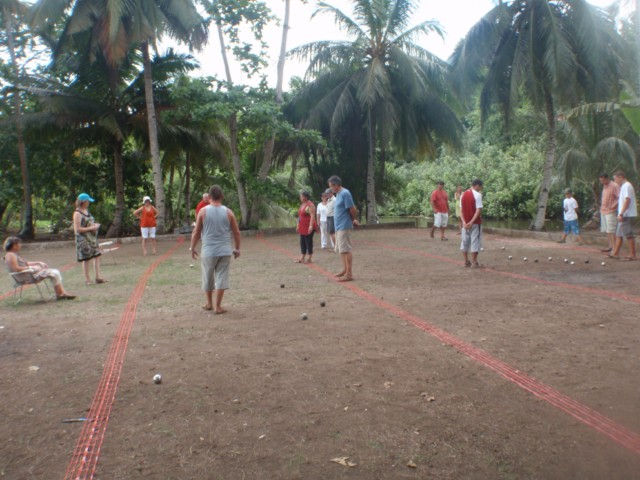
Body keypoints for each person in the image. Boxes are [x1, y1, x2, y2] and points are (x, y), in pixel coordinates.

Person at [190, 185, 241, 313]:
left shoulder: (203, 212)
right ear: (222, 196)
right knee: (222, 276)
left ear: (209, 197)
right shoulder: (229, 212)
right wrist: (237, 248)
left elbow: (196, 232)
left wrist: (192, 247)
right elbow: (236, 233)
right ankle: (218, 306)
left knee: (207, 276)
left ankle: (209, 303)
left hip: (208, 251)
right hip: (225, 250)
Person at [4, 236, 76, 300]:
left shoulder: (12, 254)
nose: (20, 245)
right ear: (14, 245)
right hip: (27, 277)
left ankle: (61, 293)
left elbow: (25, 263)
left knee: (54, 272)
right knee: (55, 272)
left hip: (28, 274)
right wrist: (31, 268)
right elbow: (16, 268)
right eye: (18, 244)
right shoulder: (11, 255)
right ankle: (60, 294)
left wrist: (37, 262)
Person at [328, 175, 358, 281]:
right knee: (341, 250)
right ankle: (345, 270)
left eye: (331, 186)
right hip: (339, 226)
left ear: (336, 185)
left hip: (344, 225)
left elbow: (352, 209)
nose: (331, 189)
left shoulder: (345, 193)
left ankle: (349, 274)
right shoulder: (339, 194)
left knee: (346, 249)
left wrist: (353, 219)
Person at [73, 193, 106, 285]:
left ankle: (98, 277)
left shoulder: (86, 210)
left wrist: (95, 225)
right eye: (88, 201)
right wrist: (92, 228)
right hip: (83, 240)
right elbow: (78, 229)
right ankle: (87, 279)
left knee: (97, 255)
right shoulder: (77, 214)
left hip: (92, 238)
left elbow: (89, 222)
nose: (89, 203)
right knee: (86, 259)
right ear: (83, 202)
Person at [609, 171, 637, 260]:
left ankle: (633, 255)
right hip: (623, 214)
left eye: (615, 179)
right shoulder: (624, 186)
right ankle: (615, 253)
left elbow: (627, 200)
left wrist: (621, 213)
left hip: (626, 214)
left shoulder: (626, 186)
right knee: (618, 234)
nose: (615, 181)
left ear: (620, 177)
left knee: (628, 234)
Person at [460, 179, 484, 268]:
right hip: (475, 223)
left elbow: (461, 211)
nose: (481, 189)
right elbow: (478, 210)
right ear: (477, 185)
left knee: (465, 241)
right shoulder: (478, 195)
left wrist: (464, 222)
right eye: (481, 187)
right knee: (475, 242)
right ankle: (474, 262)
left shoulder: (463, 194)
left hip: (465, 223)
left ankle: (466, 261)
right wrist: (471, 222)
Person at [599, 173, 620, 253]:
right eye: (601, 180)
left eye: (603, 180)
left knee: (611, 231)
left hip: (611, 211)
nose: (602, 182)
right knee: (607, 231)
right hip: (603, 210)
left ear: (607, 178)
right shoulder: (605, 186)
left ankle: (615, 249)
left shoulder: (614, 185)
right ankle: (610, 246)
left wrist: (613, 206)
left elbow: (619, 197)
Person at [296, 191, 317, 263]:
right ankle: (302, 257)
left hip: (308, 226)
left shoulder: (310, 205)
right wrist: (298, 225)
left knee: (308, 241)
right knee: (302, 242)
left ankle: (309, 258)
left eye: (301, 196)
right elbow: (300, 215)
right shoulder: (302, 204)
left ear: (305, 197)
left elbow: (312, 216)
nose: (300, 197)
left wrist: (311, 226)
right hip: (302, 226)